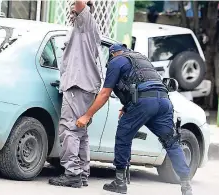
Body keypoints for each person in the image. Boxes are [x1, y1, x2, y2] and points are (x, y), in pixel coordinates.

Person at [76, 44, 193, 195]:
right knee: (171, 142)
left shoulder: (116, 61)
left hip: (144, 103)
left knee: (123, 135)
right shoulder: (141, 59)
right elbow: (142, 84)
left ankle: (120, 182)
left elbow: (105, 93)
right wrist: (126, 108)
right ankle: (186, 185)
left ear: (113, 54)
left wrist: (87, 115)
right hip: (164, 102)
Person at [48, 0, 101, 188]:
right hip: (85, 87)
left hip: (78, 86)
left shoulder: (85, 23)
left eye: (74, 11)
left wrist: (82, 5)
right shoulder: (83, 30)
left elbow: (80, 4)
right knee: (80, 132)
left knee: (69, 129)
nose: (71, 14)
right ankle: (82, 174)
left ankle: (72, 174)